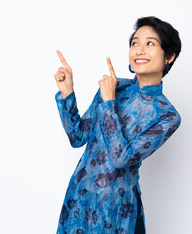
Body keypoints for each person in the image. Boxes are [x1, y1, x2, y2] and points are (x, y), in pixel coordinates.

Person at [54, 16, 182, 234]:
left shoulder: (167, 115)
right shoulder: (114, 87)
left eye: (150, 43)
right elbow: (77, 136)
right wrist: (67, 92)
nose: (139, 50)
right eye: (135, 43)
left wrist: (109, 102)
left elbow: (121, 157)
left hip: (116, 210)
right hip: (79, 199)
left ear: (169, 56)